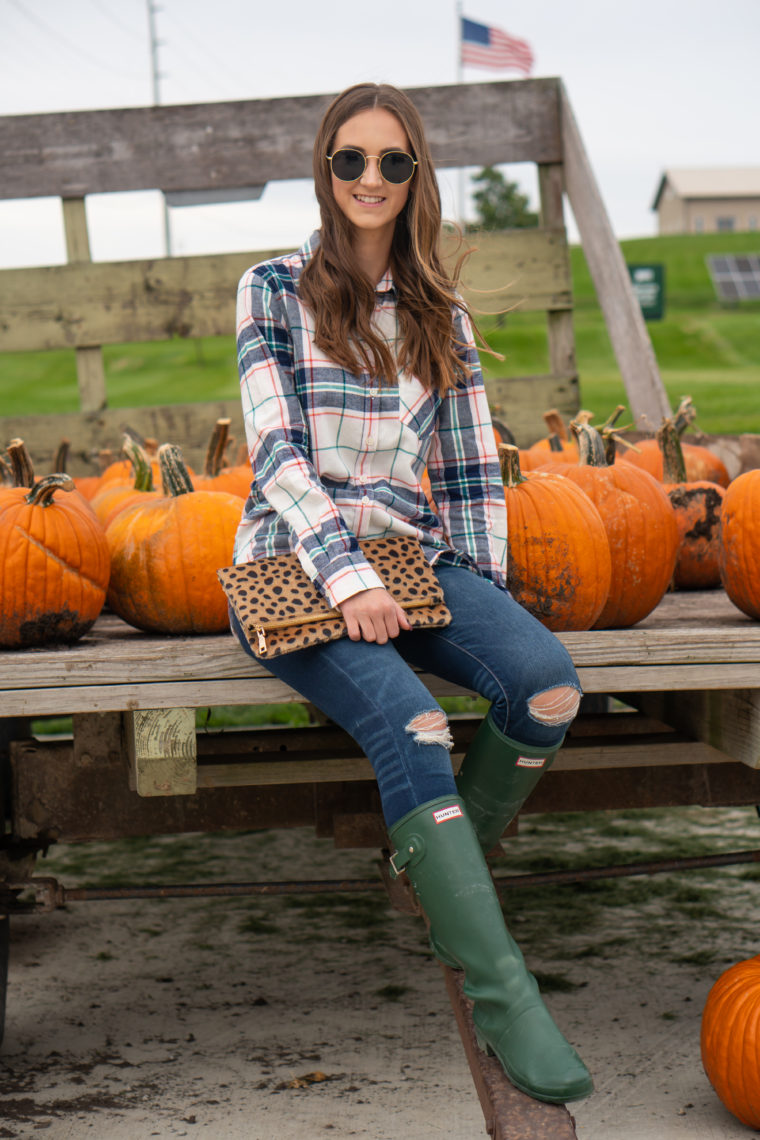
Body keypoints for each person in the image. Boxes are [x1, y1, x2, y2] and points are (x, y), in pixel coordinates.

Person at [230, 81, 593, 1106]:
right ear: (325, 169)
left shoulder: (440, 307)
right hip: (292, 568)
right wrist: (344, 578)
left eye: (393, 162)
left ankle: (433, 873)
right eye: (351, 160)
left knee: (547, 687)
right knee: (418, 726)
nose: (371, 180)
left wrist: (489, 599)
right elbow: (277, 458)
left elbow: (473, 469)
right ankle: (500, 986)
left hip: (413, 560)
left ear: (416, 176)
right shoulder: (270, 289)